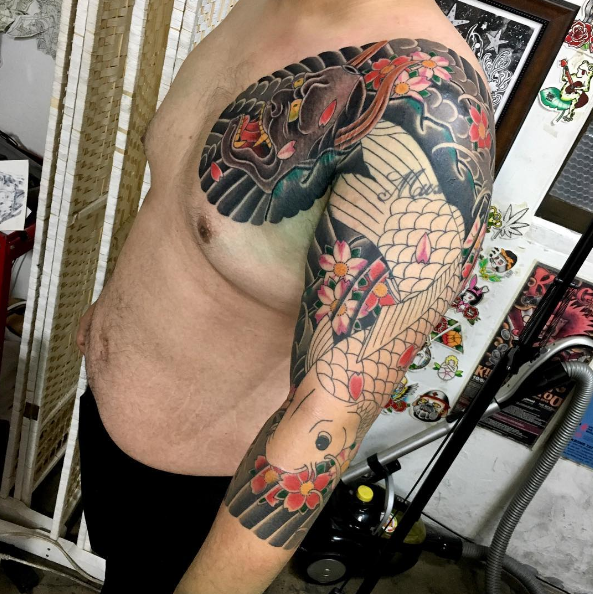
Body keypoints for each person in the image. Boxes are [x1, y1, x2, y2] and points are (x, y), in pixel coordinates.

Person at [76, 0, 494, 592]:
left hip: (200, 493)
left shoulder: (433, 105)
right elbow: (174, 205)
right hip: (108, 419)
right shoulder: (265, 7)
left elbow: (329, 419)